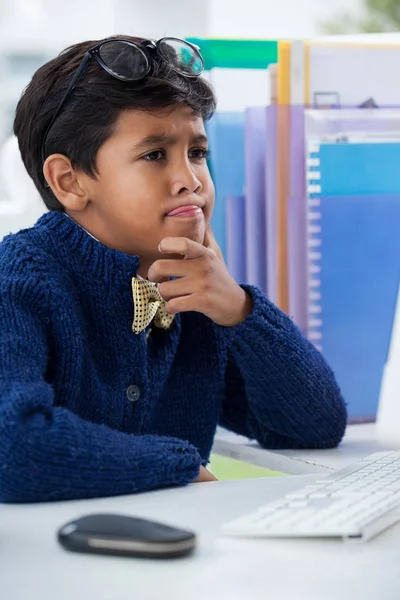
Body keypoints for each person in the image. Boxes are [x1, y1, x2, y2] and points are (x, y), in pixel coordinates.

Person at [0, 35, 347, 503]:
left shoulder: (193, 288)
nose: (190, 180)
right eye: (154, 155)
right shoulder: (22, 277)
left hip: (166, 566)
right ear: (70, 181)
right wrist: (175, 465)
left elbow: (314, 426)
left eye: (197, 153)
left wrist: (240, 310)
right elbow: (13, 448)